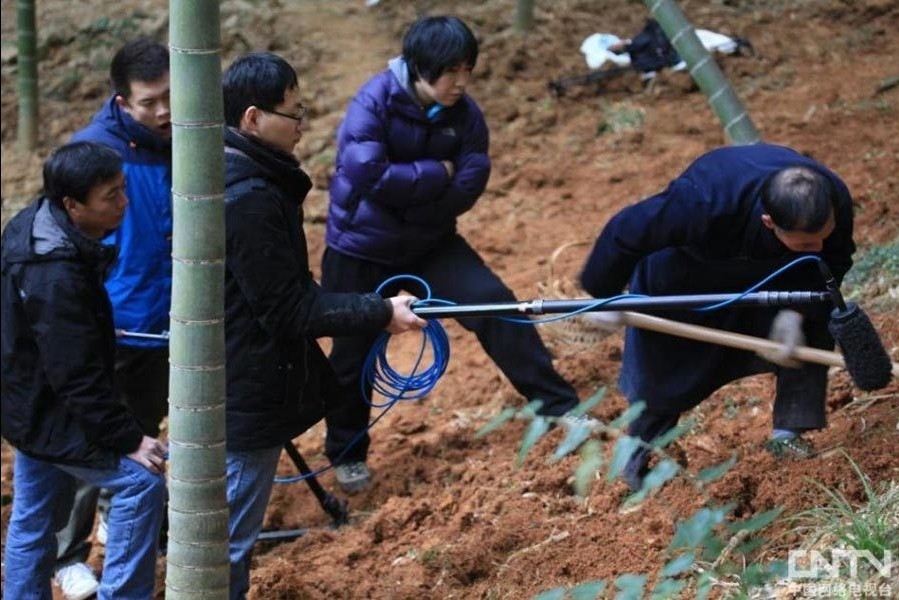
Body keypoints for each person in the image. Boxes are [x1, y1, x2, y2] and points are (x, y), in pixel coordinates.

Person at [321, 15, 590, 494]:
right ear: (420, 69)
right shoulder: (373, 101)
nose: (461, 82)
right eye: (451, 72)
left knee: (497, 306)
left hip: (431, 242)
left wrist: (417, 188)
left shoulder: (465, 114)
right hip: (361, 246)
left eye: (468, 69)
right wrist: (435, 172)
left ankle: (560, 408)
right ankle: (346, 453)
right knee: (351, 351)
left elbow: (469, 182)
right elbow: (369, 177)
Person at [220, 51, 426, 599]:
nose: (302, 122)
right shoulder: (248, 199)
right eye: (293, 112)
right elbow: (290, 310)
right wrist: (381, 313)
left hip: (240, 382)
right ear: (251, 119)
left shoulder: (241, 176)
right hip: (243, 391)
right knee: (227, 545)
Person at [579, 143, 855, 491]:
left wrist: (794, 313)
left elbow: (834, 260)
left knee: (816, 311)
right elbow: (625, 231)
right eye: (804, 244)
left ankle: (788, 436)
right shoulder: (703, 202)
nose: (817, 247)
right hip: (688, 278)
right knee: (661, 367)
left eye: (823, 236)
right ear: (769, 222)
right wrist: (604, 297)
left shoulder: (833, 198)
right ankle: (642, 456)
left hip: (776, 279)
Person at [1, 141, 168, 599]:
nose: (124, 202)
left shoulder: (37, 224)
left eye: (123, 188)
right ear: (72, 204)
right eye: (110, 196)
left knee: (33, 517)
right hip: (50, 409)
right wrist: (129, 438)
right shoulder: (54, 272)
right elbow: (75, 373)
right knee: (139, 484)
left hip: (28, 404)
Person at [50, 38, 172, 598]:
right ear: (122, 100)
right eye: (150, 102)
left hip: (168, 318)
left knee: (144, 432)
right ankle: (68, 554)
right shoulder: (95, 155)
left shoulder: (186, 138)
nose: (164, 111)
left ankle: (137, 528)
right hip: (115, 321)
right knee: (91, 441)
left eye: (172, 97)